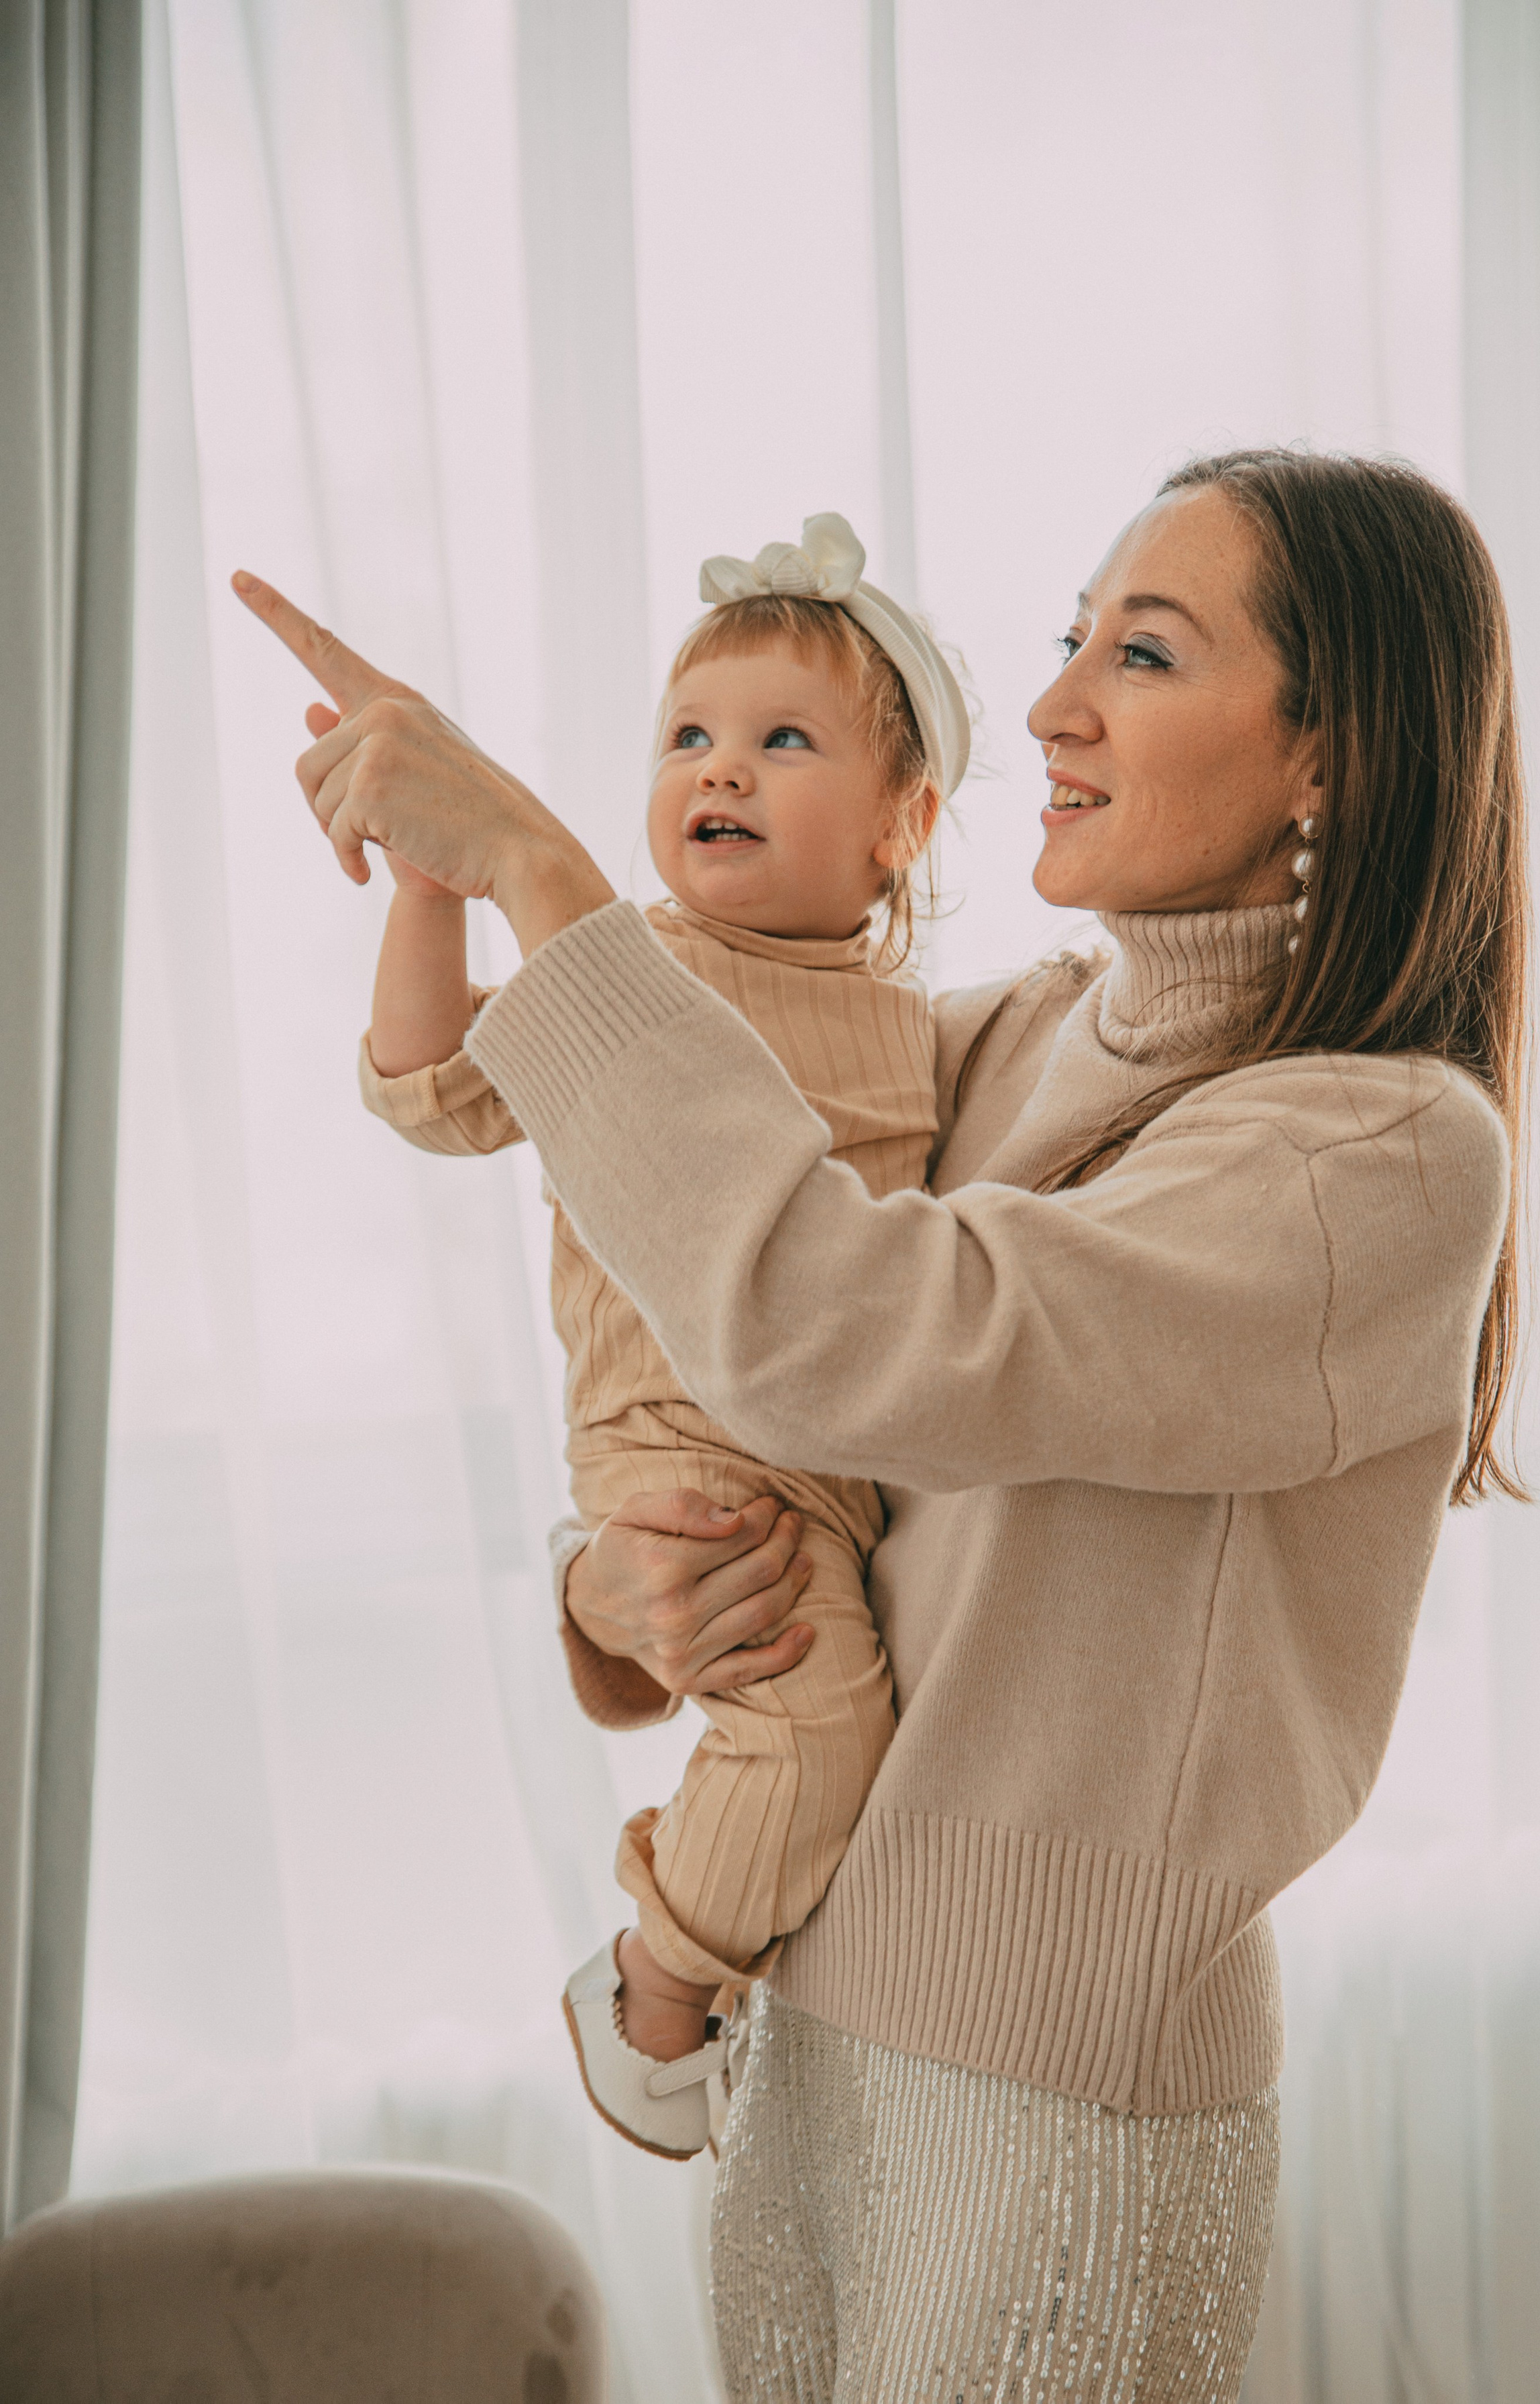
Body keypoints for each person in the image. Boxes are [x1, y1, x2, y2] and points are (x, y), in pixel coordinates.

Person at [235, 446, 1527, 2402]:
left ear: (1326, 758)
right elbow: (775, 1398)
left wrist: (539, 868)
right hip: (804, 2030)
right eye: (1070, 637)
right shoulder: (1007, 1038)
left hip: (1058, 2109)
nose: (1060, 703)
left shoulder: (1380, 1153)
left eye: (1149, 653)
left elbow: (837, 1329)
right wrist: (615, 1592)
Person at [350, 514, 970, 2160]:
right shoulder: (624, 970)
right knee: (819, 1727)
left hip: (830, 1465)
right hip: (678, 1437)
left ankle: (712, 1970)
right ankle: (654, 1985)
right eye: (689, 738)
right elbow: (431, 1093)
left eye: (783, 740)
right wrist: (433, 893)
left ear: (902, 826)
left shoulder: (933, 1030)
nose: (723, 769)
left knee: (831, 1739)